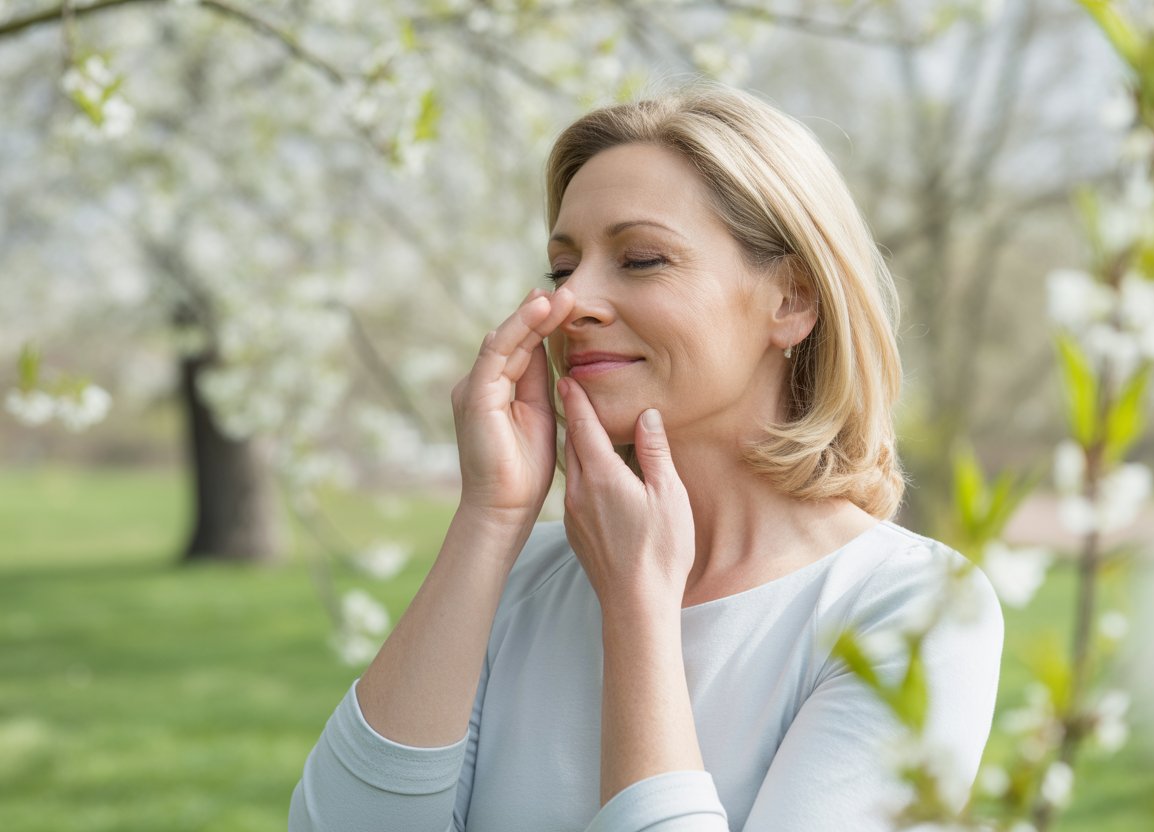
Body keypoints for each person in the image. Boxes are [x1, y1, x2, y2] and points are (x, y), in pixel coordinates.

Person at [289, 81, 1003, 832]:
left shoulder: (910, 607)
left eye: (641, 259)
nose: (574, 304)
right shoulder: (518, 582)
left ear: (791, 301)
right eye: (563, 270)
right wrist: (490, 517)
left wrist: (638, 607)